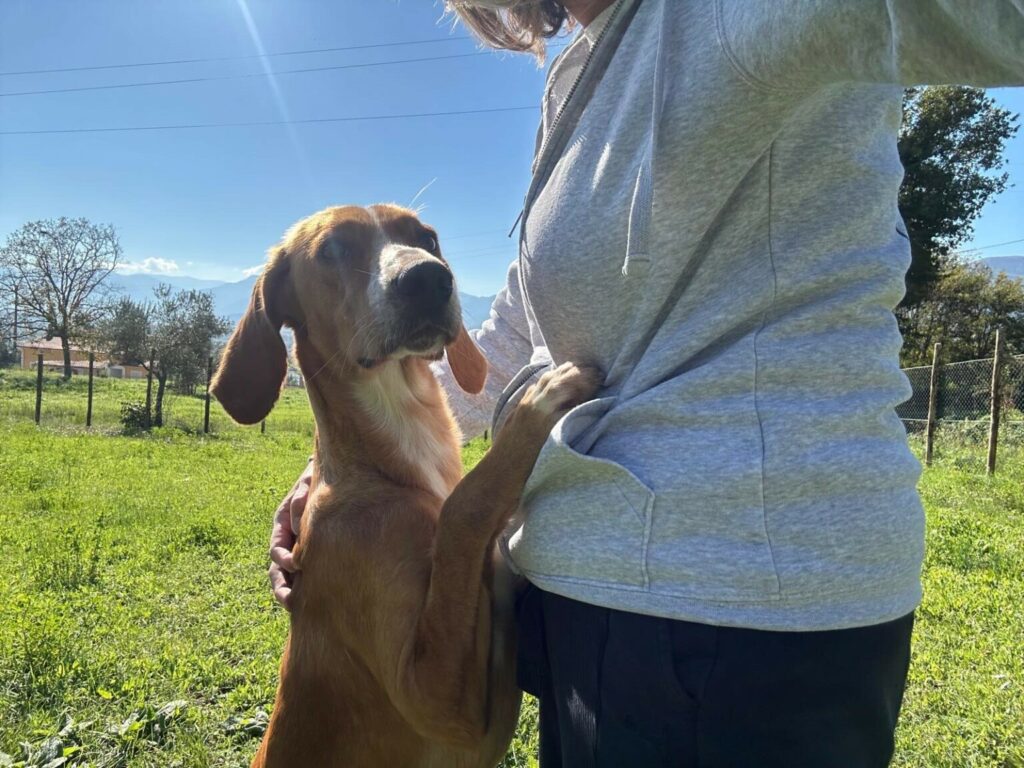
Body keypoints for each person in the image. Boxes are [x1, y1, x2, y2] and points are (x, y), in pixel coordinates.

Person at [267, 2, 1024, 765]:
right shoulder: (578, 72)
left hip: (734, 611)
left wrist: (467, 517)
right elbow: (518, 332)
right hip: (595, 620)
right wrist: (332, 480)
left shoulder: (730, 14)